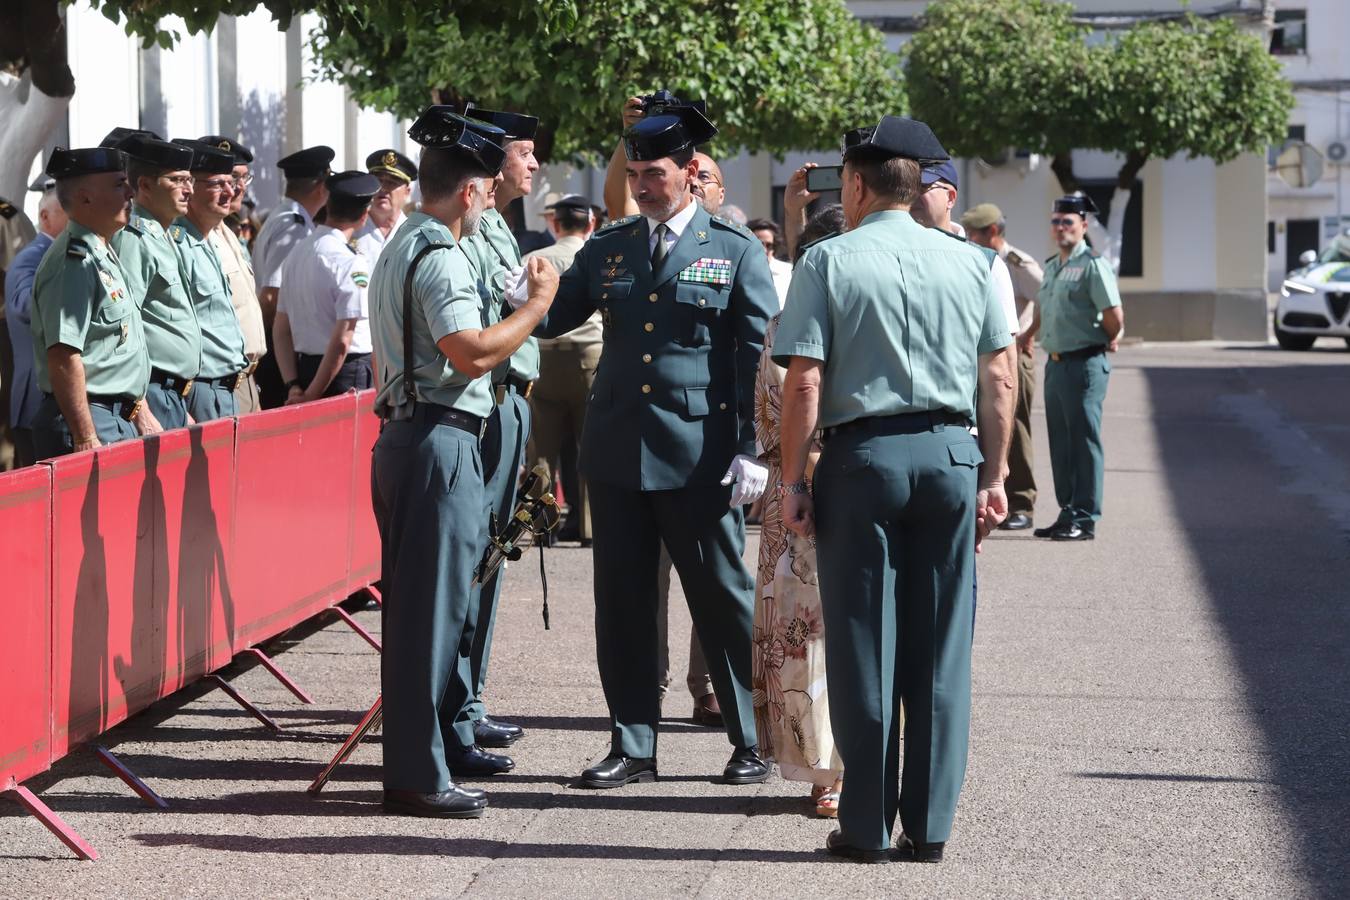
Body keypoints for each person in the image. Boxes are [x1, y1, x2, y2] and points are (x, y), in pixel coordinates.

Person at [774, 116, 1015, 864]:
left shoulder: (828, 260)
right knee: (939, 652)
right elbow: (1000, 379)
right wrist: (997, 476)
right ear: (920, 187)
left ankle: (868, 826)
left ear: (854, 183)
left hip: (863, 458)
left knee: (861, 647)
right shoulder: (976, 262)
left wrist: (792, 480)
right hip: (949, 454)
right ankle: (931, 826)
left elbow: (804, 380)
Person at [535, 101, 777, 789]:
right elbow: (555, 315)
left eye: (656, 174)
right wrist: (506, 287)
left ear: (691, 172)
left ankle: (750, 739)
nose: (643, 185)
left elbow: (756, 354)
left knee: (722, 600)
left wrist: (752, 449)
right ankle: (633, 744)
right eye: (635, 173)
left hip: (702, 457)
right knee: (623, 604)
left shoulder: (733, 250)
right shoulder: (609, 247)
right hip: (616, 454)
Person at [368, 107, 558, 818]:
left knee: (429, 609)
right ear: (474, 191)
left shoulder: (404, 240)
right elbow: (471, 351)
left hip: (417, 435)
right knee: (431, 616)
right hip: (437, 437)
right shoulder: (441, 252)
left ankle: (428, 759)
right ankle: (418, 774)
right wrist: (537, 305)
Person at [750, 212, 843, 816]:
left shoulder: (800, 326)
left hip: (819, 489)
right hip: (801, 496)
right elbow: (769, 415)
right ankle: (826, 770)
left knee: (826, 634)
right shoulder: (781, 327)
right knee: (807, 638)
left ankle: (836, 771)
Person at [458, 104, 541, 756]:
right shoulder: (475, 226)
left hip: (509, 399)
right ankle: (457, 707)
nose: (534, 165)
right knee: (475, 558)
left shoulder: (499, 223)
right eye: (525, 153)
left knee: (491, 554)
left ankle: (468, 699)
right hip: (486, 400)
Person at [30, 147, 159, 457]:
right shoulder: (72, 262)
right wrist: (86, 437)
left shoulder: (102, 252)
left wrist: (139, 411)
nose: (130, 192)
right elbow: (64, 356)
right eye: (118, 184)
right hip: (89, 421)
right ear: (85, 198)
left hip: (113, 418)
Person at [1027, 193, 1124, 542]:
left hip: (1084, 364)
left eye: (1068, 221)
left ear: (1083, 225)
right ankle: (1067, 511)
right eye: (1056, 221)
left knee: (1083, 443)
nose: (1061, 227)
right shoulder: (1053, 265)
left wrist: (1108, 338)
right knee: (1061, 443)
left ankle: (1085, 518)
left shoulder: (1092, 266)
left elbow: (1114, 316)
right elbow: (1044, 308)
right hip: (1055, 365)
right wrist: (1027, 336)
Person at [110, 135, 201, 430]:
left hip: (171, 393)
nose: (188, 189)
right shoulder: (134, 240)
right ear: (145, 185)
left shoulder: (162, 236)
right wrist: (141, 410)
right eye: (177, 180)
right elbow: (123, 329)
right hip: (152, 392)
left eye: (189, 179)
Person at [963, 202, 1044, 530]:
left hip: (1015, 357)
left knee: (1016, 426)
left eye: (975, 233)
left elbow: (1049, 298)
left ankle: (1022, 502)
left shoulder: (1016, 263)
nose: (969, 237)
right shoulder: (974, 258)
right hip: (988, 354)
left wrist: (1028, 335)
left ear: (993, 232)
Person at [523, 193, 598, 543]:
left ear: (555, 224)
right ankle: (590, 526)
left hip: (546, 355)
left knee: (541, 449)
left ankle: (542, 526)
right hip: (591, 356)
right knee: (591, 445)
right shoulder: (598, 255)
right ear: (591, 224)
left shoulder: (535, 258)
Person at [274, 171, 378, 401]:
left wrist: (293, 385)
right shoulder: (350, 261)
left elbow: (281, 328)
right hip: (345, 373)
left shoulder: (296, 253)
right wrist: (312, 395)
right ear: (364, 215)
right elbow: (342, 340)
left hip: (304, 370)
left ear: (328, 206)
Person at [252, 145, 334, 407]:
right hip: (279, 351)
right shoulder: (293, 227)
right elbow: (272, 295)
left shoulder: (285, 217)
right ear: (322, 188)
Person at [172, 140, 249, 422]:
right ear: (191, 187)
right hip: (201, 389)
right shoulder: (177, 244)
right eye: (218, 184)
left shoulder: (208, 241)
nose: (231, 192)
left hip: (228, 386)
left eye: (232, 183)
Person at [201, 135, 267, 413]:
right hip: (220, 383)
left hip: (247, 379)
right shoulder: (197, 237)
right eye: (228, 179)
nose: (236, 188)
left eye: (242, 178)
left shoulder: (228, 232)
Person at [5, 182, 67, 466]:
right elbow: (23, 305)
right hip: (37, 400)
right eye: (68, 211)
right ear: (45, 217)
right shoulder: (31, 258)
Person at [356, 149, 417, 265]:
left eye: (392, 182)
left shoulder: (414, 235)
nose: (383, 188)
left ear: (407, 192)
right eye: (378, 181)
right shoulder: (352, 229)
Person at [747, 217, 792, 308]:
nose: (764, 250)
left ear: (775, 246)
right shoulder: (740, 272)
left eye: (769, 245)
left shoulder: (789, 271)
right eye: (758, 244)